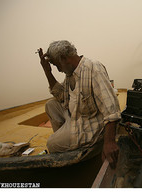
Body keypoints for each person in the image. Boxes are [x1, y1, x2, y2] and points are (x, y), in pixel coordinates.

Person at [37, 40, 121, 168]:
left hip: (89, 125)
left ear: (64, 58)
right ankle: (68, 141)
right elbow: (61, 97)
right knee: (51, 105)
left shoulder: (93, 68)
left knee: (52, 144)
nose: (58, 70)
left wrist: (109, 142)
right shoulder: (70, 74)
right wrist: (47, 71)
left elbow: (111, 108)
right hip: (75, 117)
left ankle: (69, 143)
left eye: (57, 65)